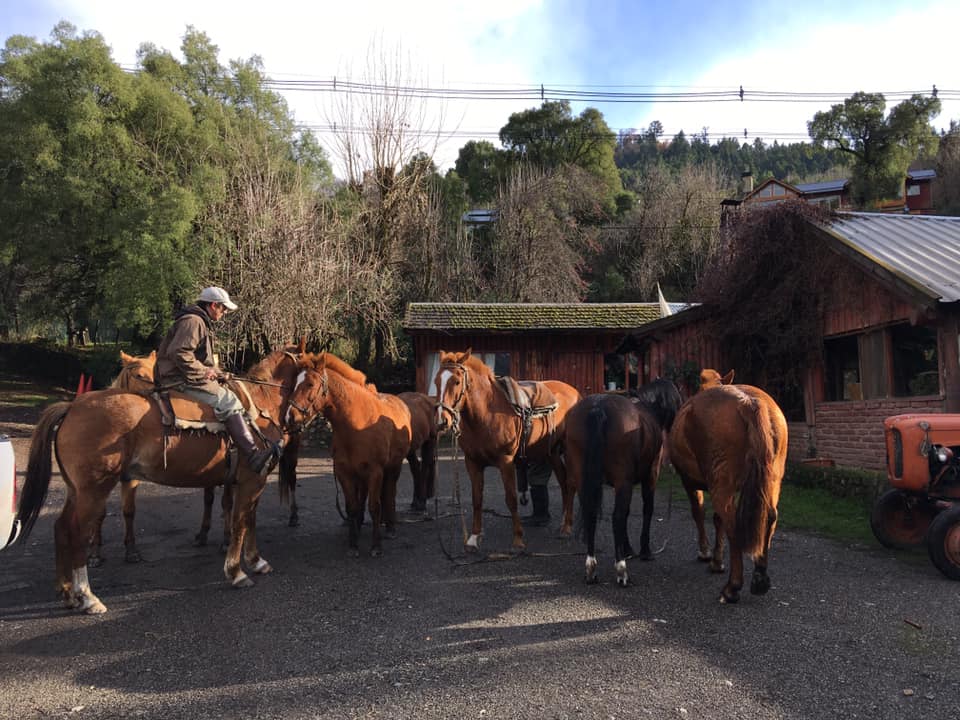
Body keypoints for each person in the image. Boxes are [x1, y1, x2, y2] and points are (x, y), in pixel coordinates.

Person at [154, 286, 273, 475]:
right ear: (213, 305)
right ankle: (252, 455)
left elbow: (199, 359)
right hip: (177, 379)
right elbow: (179, 353)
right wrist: (203, 372)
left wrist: (217, 373)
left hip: (183, 374)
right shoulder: (194, 321)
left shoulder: (198, 320)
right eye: (223, 308)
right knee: (229, 401)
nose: (224, 313)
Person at [521, 459, 553, 527]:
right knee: (536, 477)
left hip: (543, 455)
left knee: (537, 477)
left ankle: (541, 516)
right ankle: (539, 514)